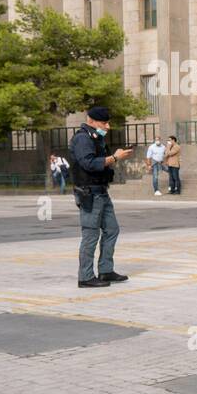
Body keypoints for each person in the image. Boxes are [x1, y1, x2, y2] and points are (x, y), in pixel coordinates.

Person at [69, 107, 133, 288]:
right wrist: (114, 157)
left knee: (112, 229)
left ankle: (105, 271)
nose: (108, 126)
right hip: (89, 193)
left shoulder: (96, 138)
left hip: (101, 192)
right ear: (91, 121)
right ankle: (85, 277)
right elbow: (88, 163)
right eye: (104, 123)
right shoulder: (82, 138)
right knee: (90, 234)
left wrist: (115, 157)